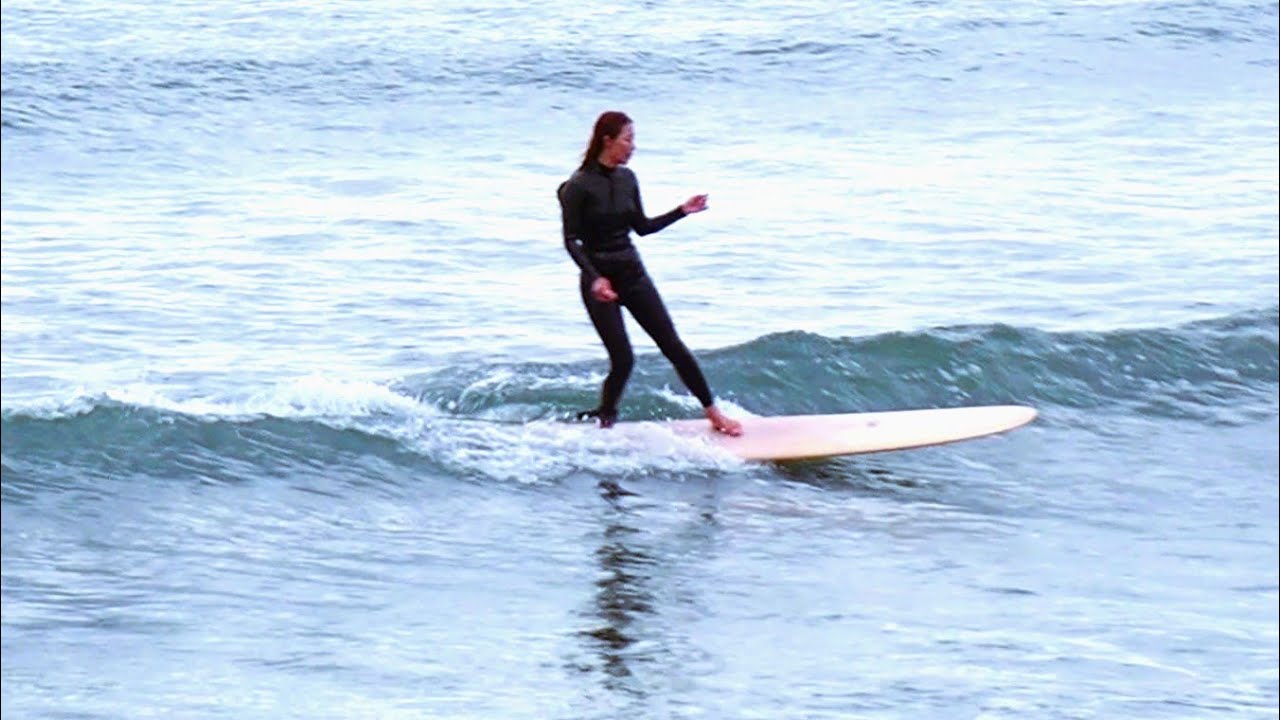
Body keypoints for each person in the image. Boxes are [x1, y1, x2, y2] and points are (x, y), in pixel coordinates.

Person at [557, 111, 742, 436]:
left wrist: (682, 211)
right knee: (623, 359)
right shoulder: (577, 187)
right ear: (607, 140)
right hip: (600, 281)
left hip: (632, 274)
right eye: (628, 139)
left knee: (672, 344)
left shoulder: (628, 179)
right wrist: (595, 278)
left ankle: (714, 414)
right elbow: (571, 240)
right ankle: (605, 419)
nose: (633, 147)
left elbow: (641, 227)